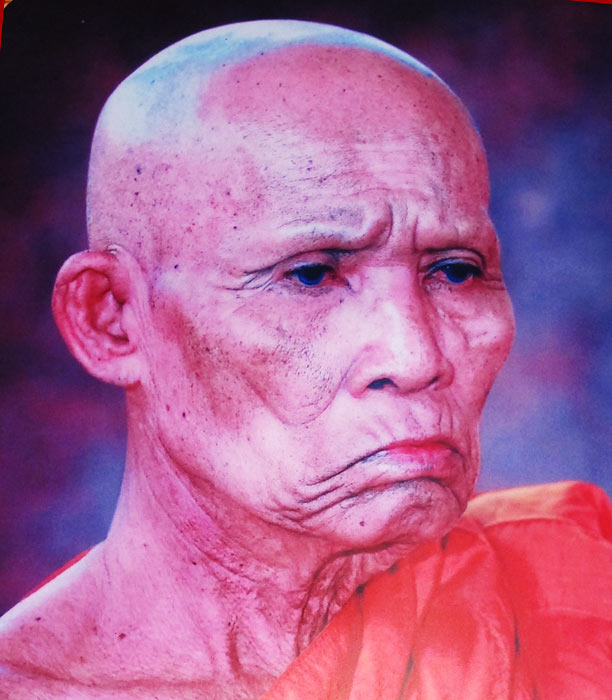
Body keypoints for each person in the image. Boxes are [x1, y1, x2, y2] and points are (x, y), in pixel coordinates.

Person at [1, 19, 611, 700]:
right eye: (312, 275)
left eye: (455, 270)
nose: (417, 356)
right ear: (111, 320)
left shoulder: (581, 603)